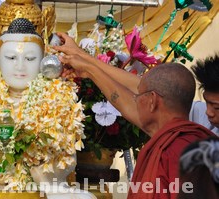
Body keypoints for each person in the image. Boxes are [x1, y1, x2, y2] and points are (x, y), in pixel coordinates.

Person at [54, 33, 214, 199]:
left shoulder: (182, 152)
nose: (134, 100)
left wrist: (88, 65)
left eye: (138, 97)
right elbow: (141, 91)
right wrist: (86, 63)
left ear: (152, 101)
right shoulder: (174, 135)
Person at [0, 18, 87, 197]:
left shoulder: (59, 96)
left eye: (30, 58)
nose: (20, 66)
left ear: (43, 59)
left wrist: (41, 174)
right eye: (11, 57)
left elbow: (67, 160)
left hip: (41, 187)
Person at [54, 32, 219, 136]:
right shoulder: (202, 116)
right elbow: (145, 86)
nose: (209, 113)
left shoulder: (194, 139)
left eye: (216, 107)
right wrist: (83, 57)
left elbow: (151, 121)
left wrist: (90, 70)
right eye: (208, 103)